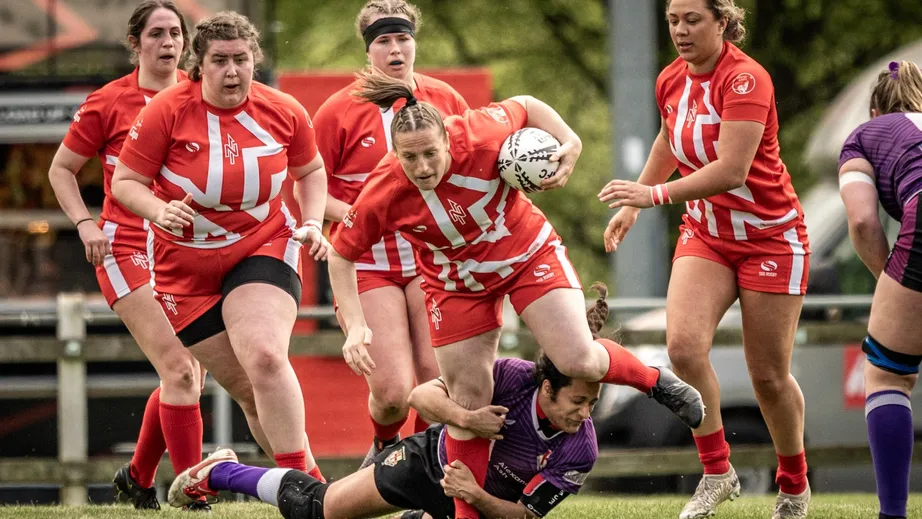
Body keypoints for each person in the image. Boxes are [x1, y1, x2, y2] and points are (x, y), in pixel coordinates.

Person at [326, 68, 704, 519]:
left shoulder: (479, 132)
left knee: (578, 360)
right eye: (410, 158)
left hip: (525, 255)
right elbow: (340, 255)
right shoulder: (382, 190)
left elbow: (527, 103)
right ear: (395, 154)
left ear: (448, 139)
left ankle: (653, 379)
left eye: (431, 153)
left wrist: (571, 141)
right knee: (469, 402)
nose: (423, 167)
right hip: (456, 285)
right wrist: (356, 327)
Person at [598, 1, 810, 518]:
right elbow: (671, 140)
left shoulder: (746, 79)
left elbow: (732, 169)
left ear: (722, 21)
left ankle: (794, 484)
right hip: (708, 233)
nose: (680, 30)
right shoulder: (671, 77)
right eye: (673, 20)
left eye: (692, 19)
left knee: (768, 377)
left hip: (770, 238)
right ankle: (718, 473)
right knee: (683, 349)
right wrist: (634, 202)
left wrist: (654, 198)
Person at [169, 284, 616, 518]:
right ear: (546, 388)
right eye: (577, 401)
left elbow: (525, 516)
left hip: (473, 501)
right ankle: (221, 473)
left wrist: (474, 494)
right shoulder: (512, 378)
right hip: (426, 465)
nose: (584, 414)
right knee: (316, 509)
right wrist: (467, 419)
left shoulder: (582, 449)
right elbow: (419, 397)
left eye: (592, 404)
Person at [110, 11, 331, 480]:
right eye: (220, 61)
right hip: (183, 271)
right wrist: (157, 210)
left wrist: (312, 221)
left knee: (266, 359)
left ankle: (315, 494)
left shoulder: (284, 109)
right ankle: (308, 485)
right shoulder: (167, 110)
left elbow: (310, 171)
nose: (232, 72)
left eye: (242, 60)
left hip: (260, 245)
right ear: (199, 65)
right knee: (250, 391)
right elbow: (126, 182)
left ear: (255, 60)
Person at [47, 1, 208, 510]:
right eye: (156, 33)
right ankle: (193, 492)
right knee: (181, 369)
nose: (168, 42)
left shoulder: (198, 94)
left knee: (187, 374)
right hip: (125, 244)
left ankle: (138, 479)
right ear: (135, 43)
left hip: (182, 249)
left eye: (176, 33)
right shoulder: (109, 100)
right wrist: (85, 222)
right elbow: (60, 169)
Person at [313, 0, 469, 466]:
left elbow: (472, 168)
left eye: (402, 38)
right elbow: (305, 189)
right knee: (394, 393)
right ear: (368, 49)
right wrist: (363, 215)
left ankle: (420, 469)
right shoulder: (338, 110)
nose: (395, 49)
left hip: (431, 257)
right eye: (384, 41)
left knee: (438, 380)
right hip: (367, 261)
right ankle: (384, 450)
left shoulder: (446, 101)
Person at [838, 60, 922, 519]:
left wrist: (890, 281)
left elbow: (863, 220)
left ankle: (893, 514)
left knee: (888, 375)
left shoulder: (864, 137)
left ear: (875, 109)